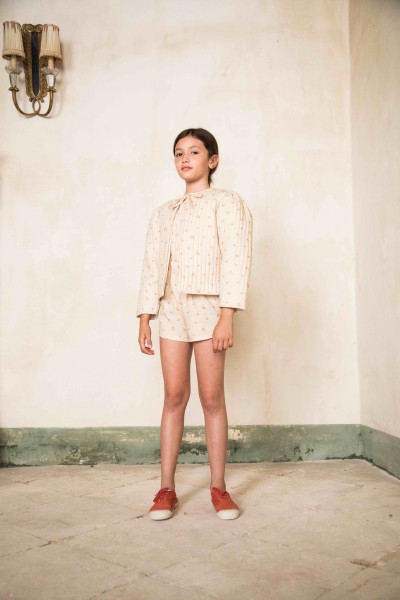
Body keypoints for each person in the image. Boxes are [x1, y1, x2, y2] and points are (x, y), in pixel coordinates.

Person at [136, 128, 253, 521]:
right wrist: (145, 316)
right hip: (170, 309)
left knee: (212, 398)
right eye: (178, 153)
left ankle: (219, 488)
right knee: (173, 396)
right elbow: (151, 265)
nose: (184, 159)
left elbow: (236, 259)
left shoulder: (227, 203)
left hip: (209, 309)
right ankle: (166, 490)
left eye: (194, 152)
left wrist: (227, 316)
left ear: (212, 160)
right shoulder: (163, 212)